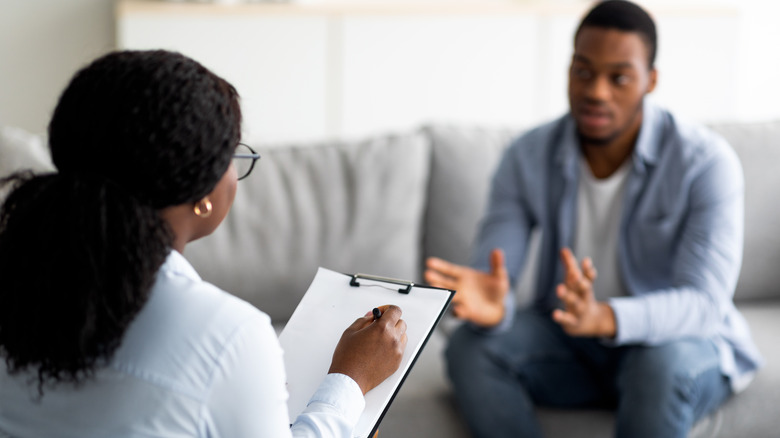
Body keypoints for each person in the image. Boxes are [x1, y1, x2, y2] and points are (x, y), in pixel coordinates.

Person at [0, 50, 407, 437]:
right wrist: (351, 382)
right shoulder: (224, 336)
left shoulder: (17, 286)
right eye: (232, 154)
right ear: (202, 194)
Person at [424, 1, 763, 437]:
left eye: (619, 77)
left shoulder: (705, 163)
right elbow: (495, 276)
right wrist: (494, 307)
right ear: (568, 70)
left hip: (671, 346)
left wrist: (605, 317)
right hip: (572, 340)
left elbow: (703, 306)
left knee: (657, 365)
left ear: (650, 81)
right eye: (583, 71)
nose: (597, 91)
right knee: (470, 347)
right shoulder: (526, 157)